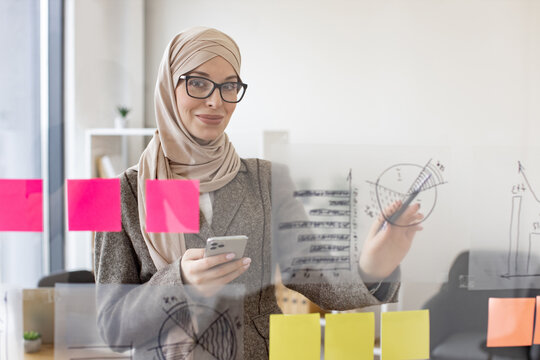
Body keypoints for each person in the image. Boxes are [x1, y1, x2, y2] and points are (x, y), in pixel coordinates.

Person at [94, 26, 423, 360]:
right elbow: (112, 327)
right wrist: (178, 281)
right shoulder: (120, 192)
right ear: (168, 85)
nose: (215, 100)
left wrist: (374, 266)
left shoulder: (268, 179)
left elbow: (316, 280)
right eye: (198, 82)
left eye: (229, 86)